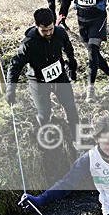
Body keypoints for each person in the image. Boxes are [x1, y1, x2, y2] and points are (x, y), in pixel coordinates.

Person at [6, 8, 80, 145]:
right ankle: (47, 143)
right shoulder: (28, 43)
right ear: (36, 27)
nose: (48, 33)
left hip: (59, 77)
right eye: (44, 31)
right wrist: (11, 89)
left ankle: (77, 141)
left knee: (71, 108)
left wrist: (72, 64)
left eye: (50, 29)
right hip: (38, 81)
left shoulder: (60, 33)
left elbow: (68, 49)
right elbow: (15, 65)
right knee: (44, 114)